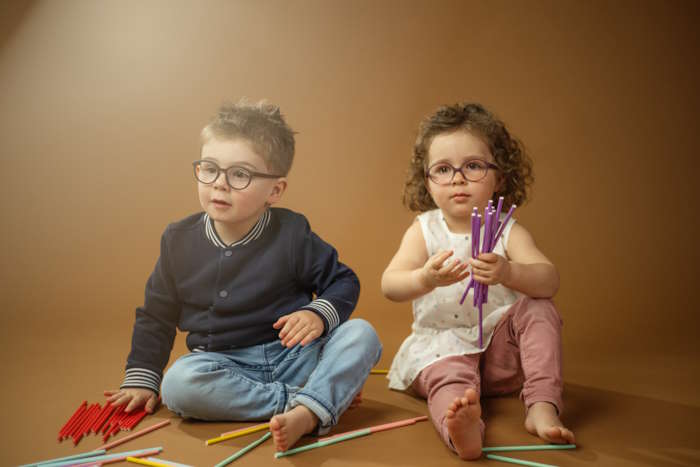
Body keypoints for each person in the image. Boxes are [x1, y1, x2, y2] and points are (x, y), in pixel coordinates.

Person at [104, 99, 382, 452]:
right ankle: (310, 403)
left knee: (362, 334)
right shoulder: (179, 240)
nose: (220, 184)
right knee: (178, 385)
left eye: (240, 174)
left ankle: (312, 404)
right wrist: (142, 380)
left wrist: (316, 314)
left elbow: (344, 281)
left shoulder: (292, 233)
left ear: (275, 191)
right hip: (223, 366)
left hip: (294, 355)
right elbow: (156, 316)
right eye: (209, 168)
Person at [381, 103, 574, 460]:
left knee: (539, 306)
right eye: (442, 169)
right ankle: (463, 430)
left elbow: (549, 281)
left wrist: (509, 272)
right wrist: (425, 277)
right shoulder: (424, 229)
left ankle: (542, 405)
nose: (457, 178)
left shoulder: (506, 229)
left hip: (499, 357)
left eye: (472, 166)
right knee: (451, 385)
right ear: (427, 181)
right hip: (443, 348)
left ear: (500, 176)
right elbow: (390, 284)